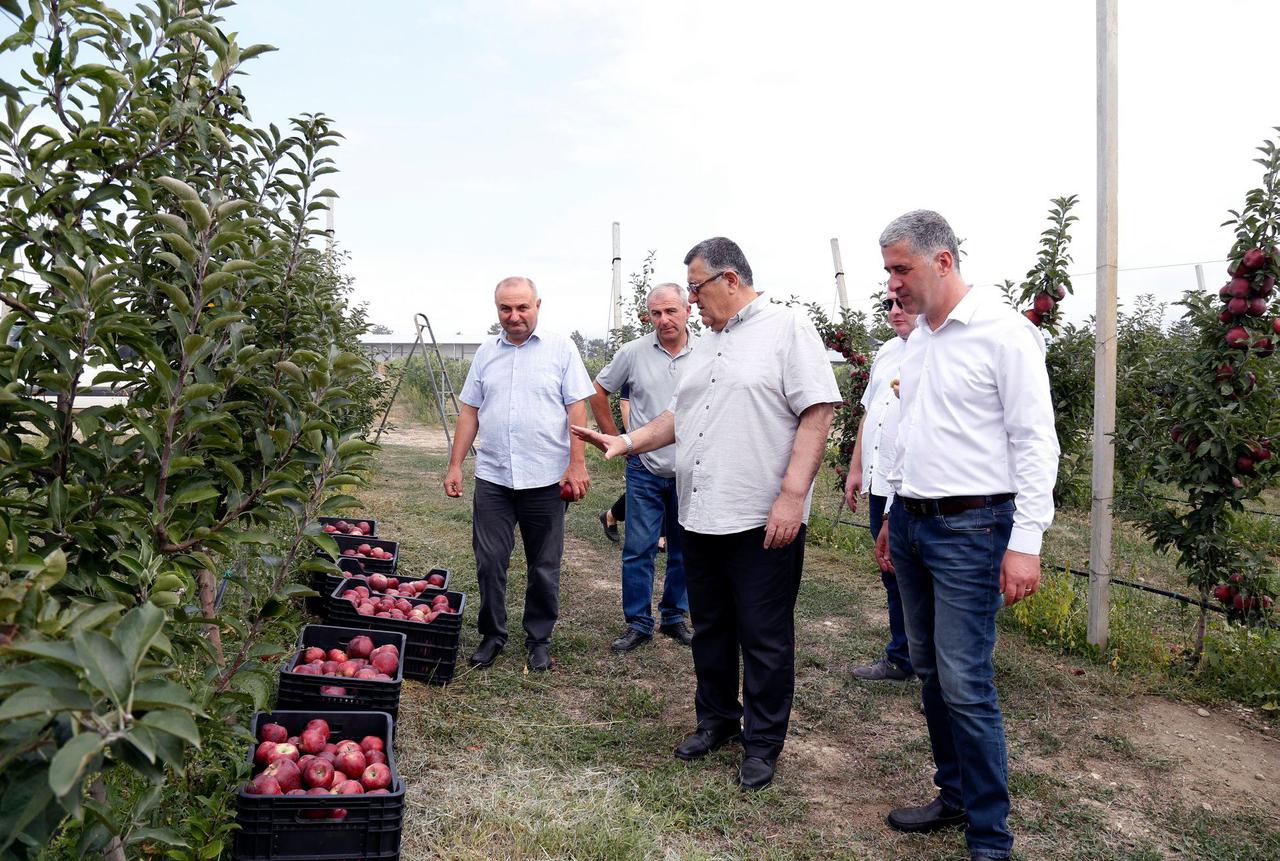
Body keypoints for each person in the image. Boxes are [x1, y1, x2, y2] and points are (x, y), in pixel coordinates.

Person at [572, 238, 840, 791]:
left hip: (761, 516)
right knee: (713, 627)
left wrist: (792, 496)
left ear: (730, 280)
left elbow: (818, 412)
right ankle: (717, 719)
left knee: (764, 635)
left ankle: (763, 743)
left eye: (695, 288)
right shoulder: (707, 345)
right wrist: (626, 442)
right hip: (700, 513)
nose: (691, 301)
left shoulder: (787, 328)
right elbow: (680, 414)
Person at [873, 211, 1059, 861]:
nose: (892, 284)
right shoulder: (916, 340)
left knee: (965, 680)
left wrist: (1026, 540)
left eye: (902, 269)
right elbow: (909, 430)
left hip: (974, 529)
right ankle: (953, 792)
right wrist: (894, 512)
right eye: (888, 270)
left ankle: (990, 835)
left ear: (943, 261)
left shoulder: (1004, 335)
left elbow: (1035, 441)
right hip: (916, 525)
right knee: (927, 666)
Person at [444, 276, 595, 673]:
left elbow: (576, 410)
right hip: (494, 475)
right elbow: (469, 411)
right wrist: (456, 464)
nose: (514, 316)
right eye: (505, 309)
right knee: (489, 560)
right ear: (496, 308)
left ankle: (539, 639)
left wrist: (576, 463)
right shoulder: (485, 353)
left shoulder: (561, 349)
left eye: (522, 308)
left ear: (538, 305)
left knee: (544, 563)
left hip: (546, 477)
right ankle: (492, 634)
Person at [589, 283, 696, 653]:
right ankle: (638, 622)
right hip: (645, 467)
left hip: (690, 470)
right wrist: (615, 438)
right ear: (648, 316)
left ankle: (673, 616)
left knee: (685, 548)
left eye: (671, 311)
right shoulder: (633, 352)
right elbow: (598, 389)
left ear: (687, 310)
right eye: (656, 313)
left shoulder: (707, 351)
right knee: (639, 548)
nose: (664, 320)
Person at [844, 289, 919, 682]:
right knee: (891, 570)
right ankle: (901, 656)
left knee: (925, 579)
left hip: (914, 486)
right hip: (879, 481)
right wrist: (857, 468)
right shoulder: (887, 351)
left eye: (902, 304)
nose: (894, 311)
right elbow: (869, 414)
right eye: (889, 305)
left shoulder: (934, 350)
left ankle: (939, 676)